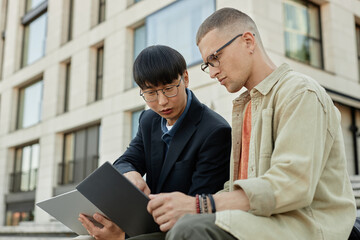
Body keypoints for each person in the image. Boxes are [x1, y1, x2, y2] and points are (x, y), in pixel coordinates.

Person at [123, 7, 357, 240]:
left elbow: (293, 184)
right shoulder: (246, 107)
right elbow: (235, 189)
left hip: (306, 226)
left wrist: (199, 205)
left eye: (215, 58)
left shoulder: (299, 92)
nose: (212, 73)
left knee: (189, 229)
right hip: (259, 222)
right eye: (207, 64)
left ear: (247, 41)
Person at [78, 45, 231, 239]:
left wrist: (122, 237)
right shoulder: (148, 120)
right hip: (145, 222)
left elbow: (195, 214)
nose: (162, 102)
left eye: (168, 89)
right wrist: (130, 173)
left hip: (182, 230)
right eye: (150, 93)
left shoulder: (215, 132)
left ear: (185, 78)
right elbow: (126, 160)